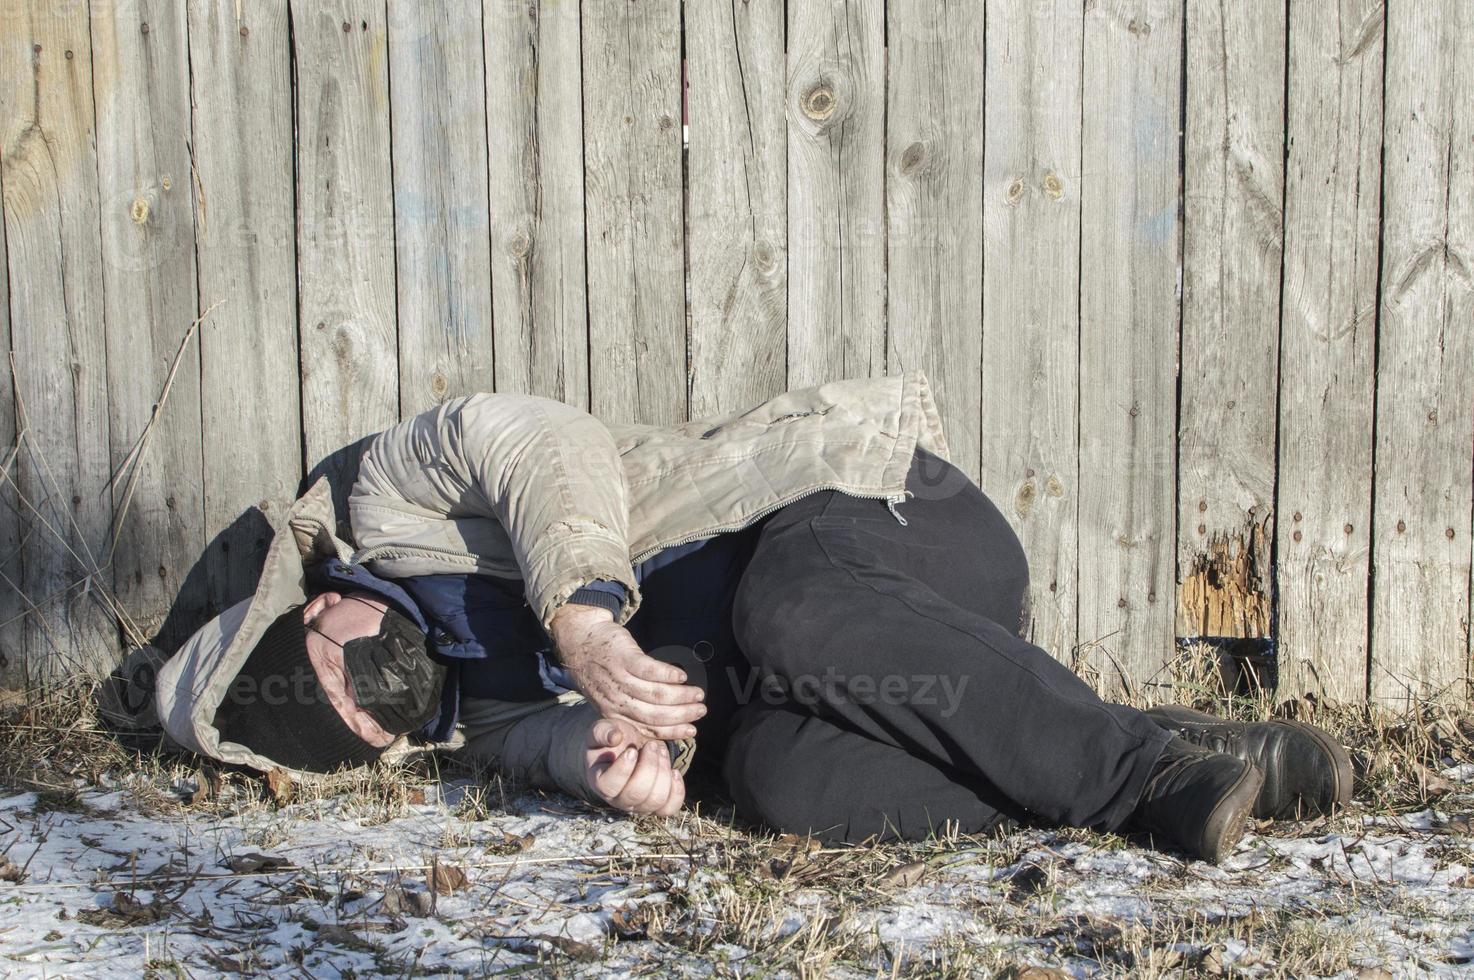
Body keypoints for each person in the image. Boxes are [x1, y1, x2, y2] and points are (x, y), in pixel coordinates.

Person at [132, 373, 1351, 864]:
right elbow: (530, 741)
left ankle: (1137, 775)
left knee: (788, 610)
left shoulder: (387, 492)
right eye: (349, 728)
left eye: (333, 672)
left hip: (862, 518)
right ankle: (1184, 748)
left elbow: (535, 439)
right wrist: (609, 764)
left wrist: (583, 615)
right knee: (773, 784)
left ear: (317, 603)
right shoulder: (457, 722)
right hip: (863, 675)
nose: (368, 702)